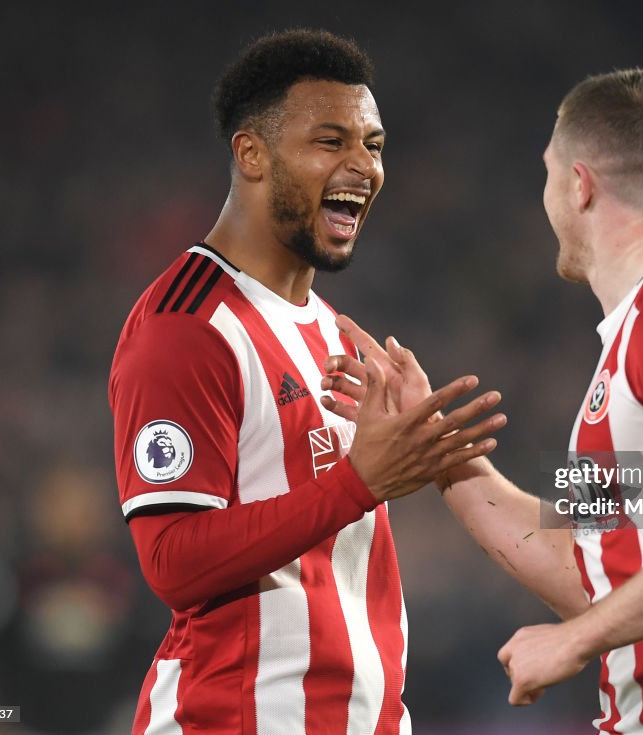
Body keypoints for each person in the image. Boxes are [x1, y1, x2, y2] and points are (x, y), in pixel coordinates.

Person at [321, 69, 643, 733]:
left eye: (547, 174)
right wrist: (439, 453)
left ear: (579, 183)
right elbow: (593, 572)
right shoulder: (634, 337)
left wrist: (575, 638)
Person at [108, 29, 505, 735]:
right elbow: (171, 559)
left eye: (374, 145)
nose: (365, 166)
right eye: (333, 142)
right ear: (251, 153)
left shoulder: (328, 327)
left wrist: (442, 459)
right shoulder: (187, 324)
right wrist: (365, 480)